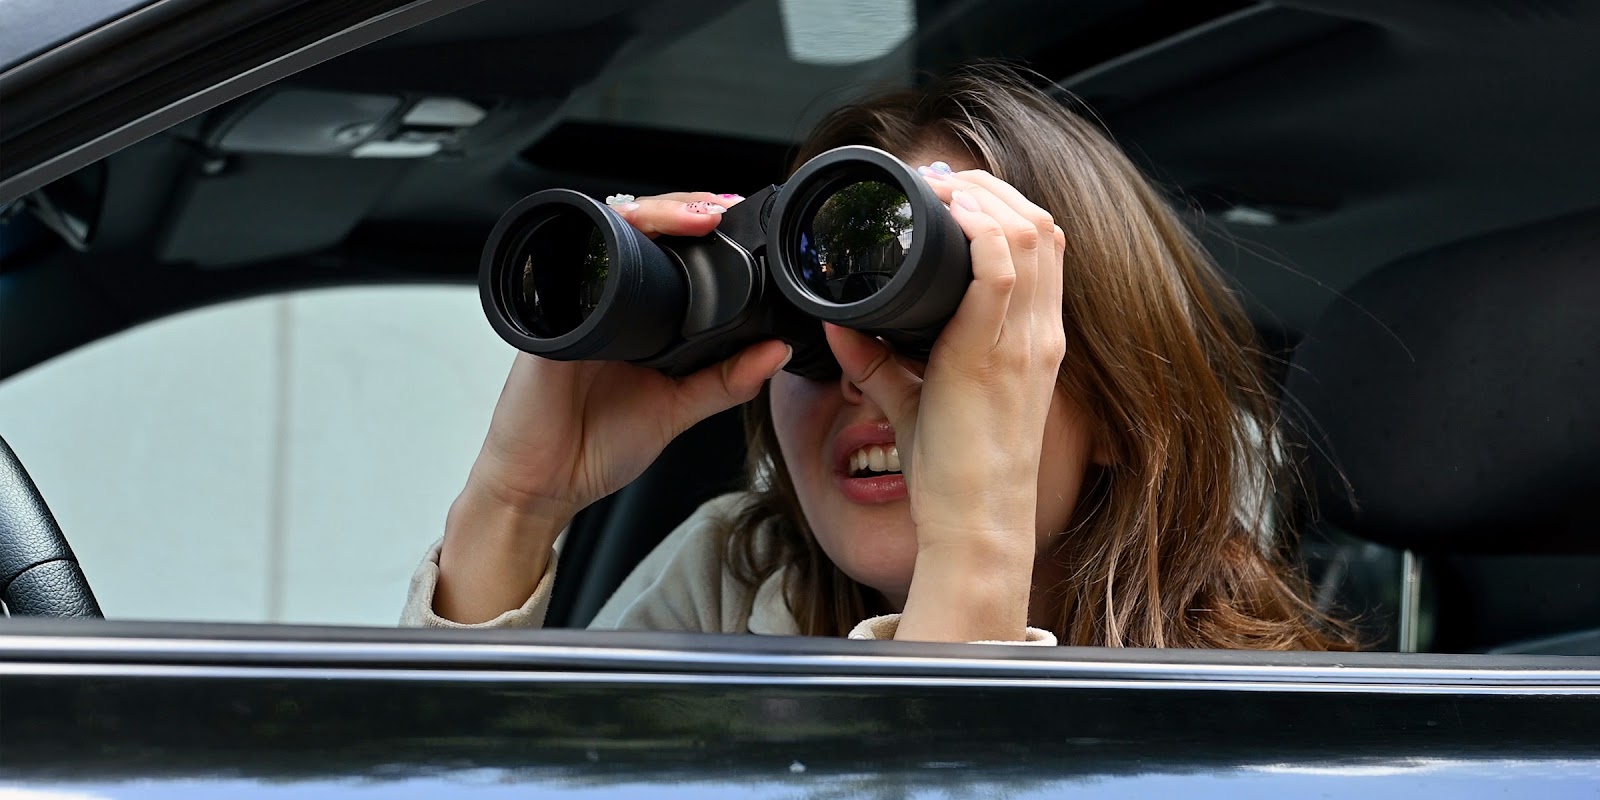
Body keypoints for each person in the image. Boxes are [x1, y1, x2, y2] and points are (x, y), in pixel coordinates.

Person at [401, 64, 1356, 650]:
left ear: (1111, 400)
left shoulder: (1262, 722)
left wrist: (973, 544)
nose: (859, 371)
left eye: (944, 328)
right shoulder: (740, 578)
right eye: (811, 327)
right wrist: (514, 503)